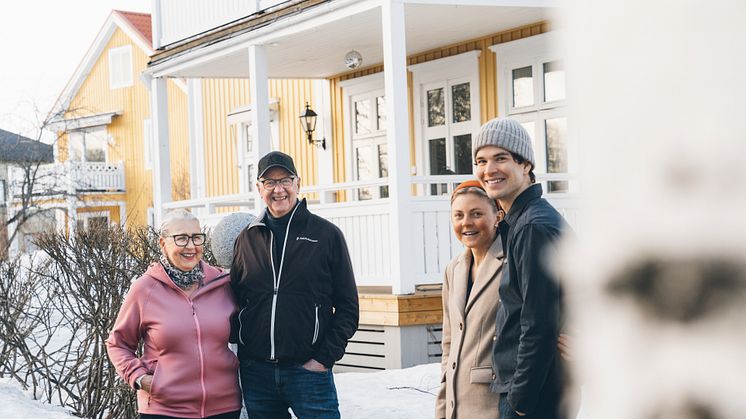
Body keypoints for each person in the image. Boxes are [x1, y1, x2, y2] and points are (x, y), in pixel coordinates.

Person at [230, 151, 359, 419]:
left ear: (298, 183)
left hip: (308, 373)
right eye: (269, 183)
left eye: (285, 180)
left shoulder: (326, 235)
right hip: (258, 374)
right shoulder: (247, 239)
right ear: (258, 188)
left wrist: (324, 358)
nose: (278, 189)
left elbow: (348, 307)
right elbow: (236, 300)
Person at [473, 118, 571, 419]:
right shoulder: (521, 222)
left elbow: (538, 324)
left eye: (500, 158)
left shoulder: (533, 228)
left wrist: (520, 401)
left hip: (535, 395)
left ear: (525, 164)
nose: (489, 170)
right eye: (481, 160)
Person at [106, 210, 242, 419]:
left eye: (196, 237)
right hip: (165, 410)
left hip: (224, 407)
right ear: (163, 243)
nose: (190, 246)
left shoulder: (222, 283)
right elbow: (118, 343)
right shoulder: (145, 289)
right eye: (181, 238)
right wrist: (140, 378)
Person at [436, 180, 505, 419]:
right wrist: (443, 407)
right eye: (458, 215)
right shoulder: (452, 269)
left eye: (476, 214)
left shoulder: (512, 263)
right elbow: (449, 342)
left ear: (498, 216)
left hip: (494, 403)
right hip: (456, 406)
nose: (466, 223)